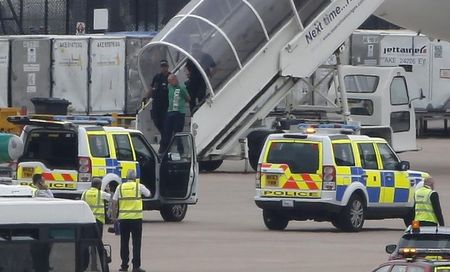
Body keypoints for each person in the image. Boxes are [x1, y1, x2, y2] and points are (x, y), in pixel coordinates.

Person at [112, 170, 151, 272]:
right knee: (136, 243)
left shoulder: (120, 187)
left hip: (123, 219)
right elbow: (148, 194)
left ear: (126, 177)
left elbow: (114, 202)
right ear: (135, 178)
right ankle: (136, 267)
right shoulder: (139, 186)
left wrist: (114, 217)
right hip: (136, 219)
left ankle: (124, 266)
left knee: (124, 242)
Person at [159, 74, 191, 154]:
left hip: (179, 113)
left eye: (172, 81)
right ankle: (165, 150)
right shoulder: (169, 87)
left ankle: (181, 151)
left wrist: (182, 93)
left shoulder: (182, 87)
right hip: (170, 112)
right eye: (169, 81)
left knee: (177, 133)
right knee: (167, 133)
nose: (171, 83)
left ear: (175, 79)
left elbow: (188, 98)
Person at [142, 59, 171, 136]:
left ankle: (165, 137)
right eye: (162, 66)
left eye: (165, 66)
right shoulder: (157, 77)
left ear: (168, 67)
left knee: (166, 123)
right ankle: (164, 135)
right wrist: (145, 99)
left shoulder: (171, 77)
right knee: (156, 120)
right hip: (156, 104)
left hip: (166, 105)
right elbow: (151, 89)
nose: (163, 68)